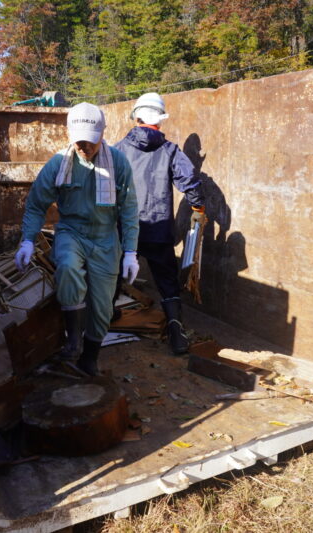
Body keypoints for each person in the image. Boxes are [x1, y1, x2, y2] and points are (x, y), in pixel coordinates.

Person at [15, 102, 140, 376]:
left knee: (103, 305)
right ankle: (73, 339)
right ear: (69, 135)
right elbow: (36, 205)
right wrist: (27, 240)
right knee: (69, 268)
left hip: (105, 238)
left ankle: (89, 357)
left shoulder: (118, 163)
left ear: (103, 133)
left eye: (91, 141)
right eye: (79, 141)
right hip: (71, 231)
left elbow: (129, 209)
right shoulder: (58, 164)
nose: (85, 147)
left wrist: (130, 252)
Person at [114, 92, 206, 355]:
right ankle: (176, 332)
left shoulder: (117, 150)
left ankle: (105, 315)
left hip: (125, 229)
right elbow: (190, 182)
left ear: (136, 117)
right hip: (158, 228)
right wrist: (198, 207)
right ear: (160, 120)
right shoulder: (170, 150)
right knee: (167, 281)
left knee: (112, 274)